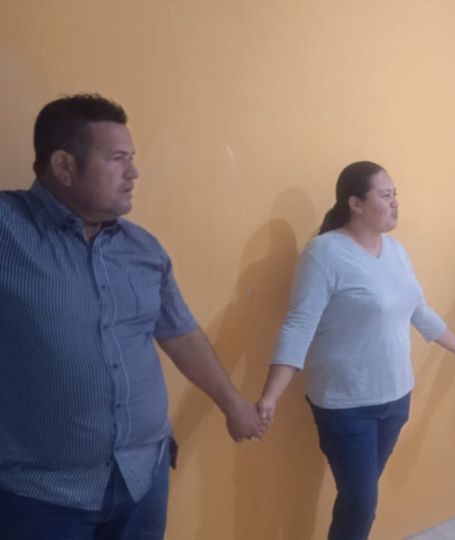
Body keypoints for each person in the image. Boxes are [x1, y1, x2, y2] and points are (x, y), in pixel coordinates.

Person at [0, 94, 266, 539]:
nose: (134, 172)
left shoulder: (143, 249)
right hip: (40, 497)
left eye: (132, 158)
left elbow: (181, 334)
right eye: (118, 159)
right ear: (64, 166)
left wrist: (234, 405)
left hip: (142, 480)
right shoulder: (8, 230)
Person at [257, 161, 455, 540]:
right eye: (385, 195)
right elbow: (299, 325)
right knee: (361, 502)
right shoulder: (324, 254)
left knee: (357, 500)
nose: (395, 202)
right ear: (356, 204)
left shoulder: (396, 250)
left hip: (395, 398)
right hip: (346, 404)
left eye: (395, 194)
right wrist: (270, 396)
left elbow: (418, 309)